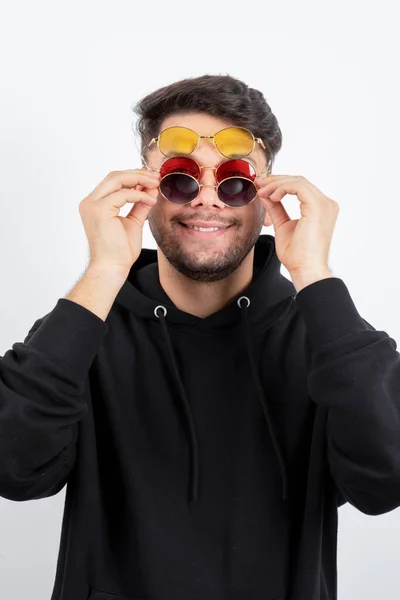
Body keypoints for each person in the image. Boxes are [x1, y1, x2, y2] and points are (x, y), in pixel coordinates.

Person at [1, 74, 400, 600]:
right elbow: (15, 470)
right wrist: (104, 270)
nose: (207, 200)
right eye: (180, 178)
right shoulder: (86, 325)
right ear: (144, 188)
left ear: (267, 192)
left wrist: (315, 276)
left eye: (234, 180)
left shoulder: (322, 335)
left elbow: (384, 483)